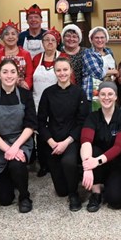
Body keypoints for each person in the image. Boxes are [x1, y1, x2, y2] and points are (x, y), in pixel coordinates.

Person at [0, 59, 37, 213]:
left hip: (21, 141)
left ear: (18, 75)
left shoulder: (25, 95)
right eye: (5, 72)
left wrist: (15, 147)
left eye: (13, 72)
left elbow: (30, 124)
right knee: (4, 200)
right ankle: (9, 178)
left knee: (16, 163)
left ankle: (25, 196)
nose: (9, 75)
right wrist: (8, 148)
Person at [38, 58, 89, 211]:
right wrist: (51, 141)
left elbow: (82, 122)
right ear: (55, 72)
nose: (62, 73)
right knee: (61, 191)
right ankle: (71, 180)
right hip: (52, 141)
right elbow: (41, 121)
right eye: (58, 70)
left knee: (68, 163)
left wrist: (66, 142)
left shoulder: (79, 92)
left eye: (65, 70)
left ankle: (74, 194)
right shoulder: (48, 93)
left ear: (71, 71)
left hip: (71, 139)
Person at [79, 82, 121, 212]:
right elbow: (85, 141)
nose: (106, 97)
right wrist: (87, 165)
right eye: (102, 94)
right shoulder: (92, 117)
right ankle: (96, 192)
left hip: (119, 163)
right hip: (97, 163)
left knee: (116, 202)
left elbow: (119, 147)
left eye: (110, 94)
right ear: (98, 96)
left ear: (116, 97)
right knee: (92, 149)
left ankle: (110, 183)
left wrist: (95, 161)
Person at [32, 28, 70, 177]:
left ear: (57, 42)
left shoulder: (63, 57)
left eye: (52, 40)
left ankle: (58, 160)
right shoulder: (36, 59)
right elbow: (30, 78)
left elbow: (69, 77)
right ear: (42, 43)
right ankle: (43, 164)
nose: (49, 42)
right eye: (46, 40)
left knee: (55, 129)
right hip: (37, 100)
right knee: (41, 132)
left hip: (58, 100)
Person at [81, 27, 117, 111]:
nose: (99, 40)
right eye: (96, 38)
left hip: (108, 88)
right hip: (92, 92)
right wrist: (114, 71)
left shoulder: (109, 51)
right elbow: (98, 73)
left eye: (102, 37)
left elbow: (114, 67)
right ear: (92, 40)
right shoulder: (88, 53)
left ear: (106, 39)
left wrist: (113, 73)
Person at [0, 20, 33, 90]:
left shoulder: (26, 54)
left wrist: (26, 85)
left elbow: (29, 75)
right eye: (7, 34)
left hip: (21, 89)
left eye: (13, 34)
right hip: (1, 90)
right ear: (2, 38)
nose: (10, 37)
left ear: (17, 37)